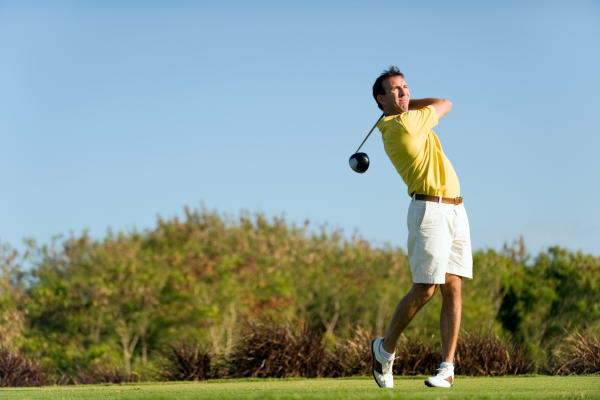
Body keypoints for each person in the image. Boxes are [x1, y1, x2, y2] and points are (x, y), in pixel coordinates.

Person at [370, 66, 473, 388]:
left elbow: (437, 104)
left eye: (406, 88)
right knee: (425, 289)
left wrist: (405, 99)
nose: (404, 93)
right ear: (381, 99)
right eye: (395, 90)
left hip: (456, 208)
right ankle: (384, 350)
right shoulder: (403, 123)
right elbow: (445, 102)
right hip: (429, 211)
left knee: (453, 285)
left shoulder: (400, 118)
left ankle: (447, 368)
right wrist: (411, 103)